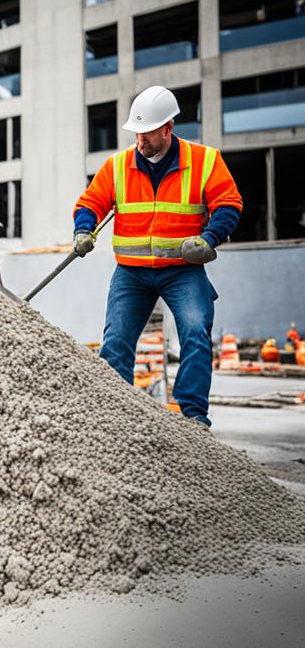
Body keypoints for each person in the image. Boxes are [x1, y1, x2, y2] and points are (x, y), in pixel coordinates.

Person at [73, 85, 243, 427]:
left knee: (196, 332)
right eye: (136, 132)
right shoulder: (117, 166)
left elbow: (229, 204)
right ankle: (116, 416)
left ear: (168, 128)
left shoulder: (205, 161)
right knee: (116, 341)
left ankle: (193, 416)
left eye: (147, 132)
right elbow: (89, 203)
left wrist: (210, 238)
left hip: (183, 270)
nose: (140, 140)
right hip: (132, 273)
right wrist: (83, 229)